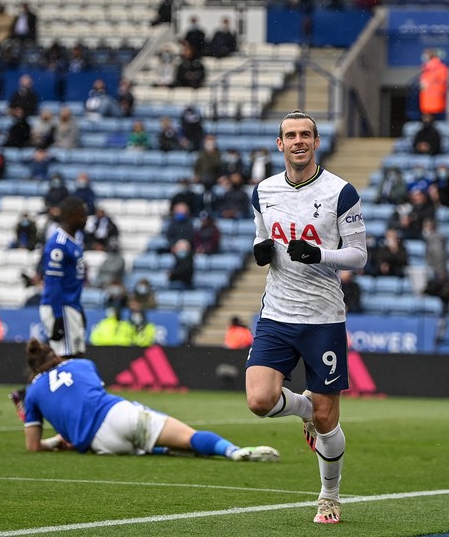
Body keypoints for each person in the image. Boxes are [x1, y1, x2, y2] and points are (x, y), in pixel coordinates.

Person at [246, 110, 367, 524]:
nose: (298, 141)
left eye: (305, 135)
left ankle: (329, 496)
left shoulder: (341, 192)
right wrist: (260, 249)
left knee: (328, 417)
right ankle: (303, 412)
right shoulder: (263, 191)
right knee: (259, 401)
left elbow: (359, 255)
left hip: (323, 319)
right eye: (290, 135)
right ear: (280, 144)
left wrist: (322, 255)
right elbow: (262, 237)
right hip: (277, 313)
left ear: (316, 142)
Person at [18, 338, 279, 461]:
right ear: (55, 356)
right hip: (117, 415)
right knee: (188, 436)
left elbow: (33, 447)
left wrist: (55, 441)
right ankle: (233, 452)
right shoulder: (81, 364)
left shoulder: (32, 392)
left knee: (151, 447)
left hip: (100, 444)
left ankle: (166, 448)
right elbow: (87, 398)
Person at [39, 196, 88, 358]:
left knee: (76, 357)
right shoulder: (58, 244)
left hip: (71, 306)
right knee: (65, 359)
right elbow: (53, 283)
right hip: (61, 306)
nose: (85, 218)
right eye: (82, 214)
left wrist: (79, 309)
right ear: (70, 216)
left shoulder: (73, 243)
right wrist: (58, 315)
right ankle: (34, 383)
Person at [419, 48, 448, 120]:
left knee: (436, 117)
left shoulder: (439, 67)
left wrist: (428, 84)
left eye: (427, 54)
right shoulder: (427, 66)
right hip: (429, 97)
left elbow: (441, 80)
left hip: (435, 96)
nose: (425, 56)